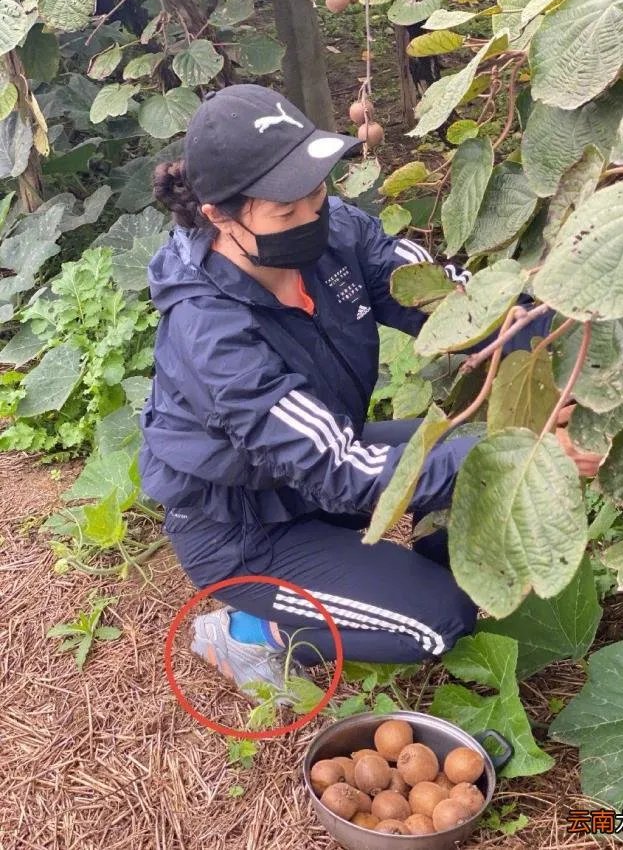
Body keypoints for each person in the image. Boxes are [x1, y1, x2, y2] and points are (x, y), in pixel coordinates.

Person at [141, 84, 593, 706]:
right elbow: (335, 465)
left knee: (480, 449)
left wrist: (562, 337)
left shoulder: (336, 230)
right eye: (284, 210)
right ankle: (246, 630)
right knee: (437, 622)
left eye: (317, 193)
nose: (312, 218)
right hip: (244, 529)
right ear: (220, 214)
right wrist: (538, 458)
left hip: (316, 472)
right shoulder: (211, 334)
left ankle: (408, 565)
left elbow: (450, 304)